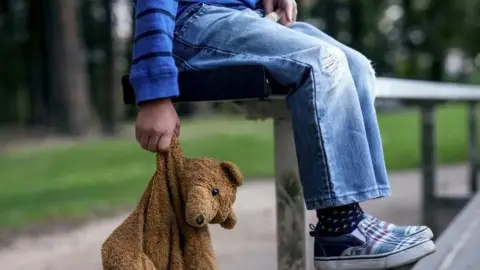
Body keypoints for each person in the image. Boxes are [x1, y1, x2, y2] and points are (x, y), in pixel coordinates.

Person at [130, 0, 437, 268]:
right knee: (321, 61)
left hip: (247, 15)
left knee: (357, 67)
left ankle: (354, 219)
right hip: (190, 21)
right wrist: (153, 92)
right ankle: (341, 230)